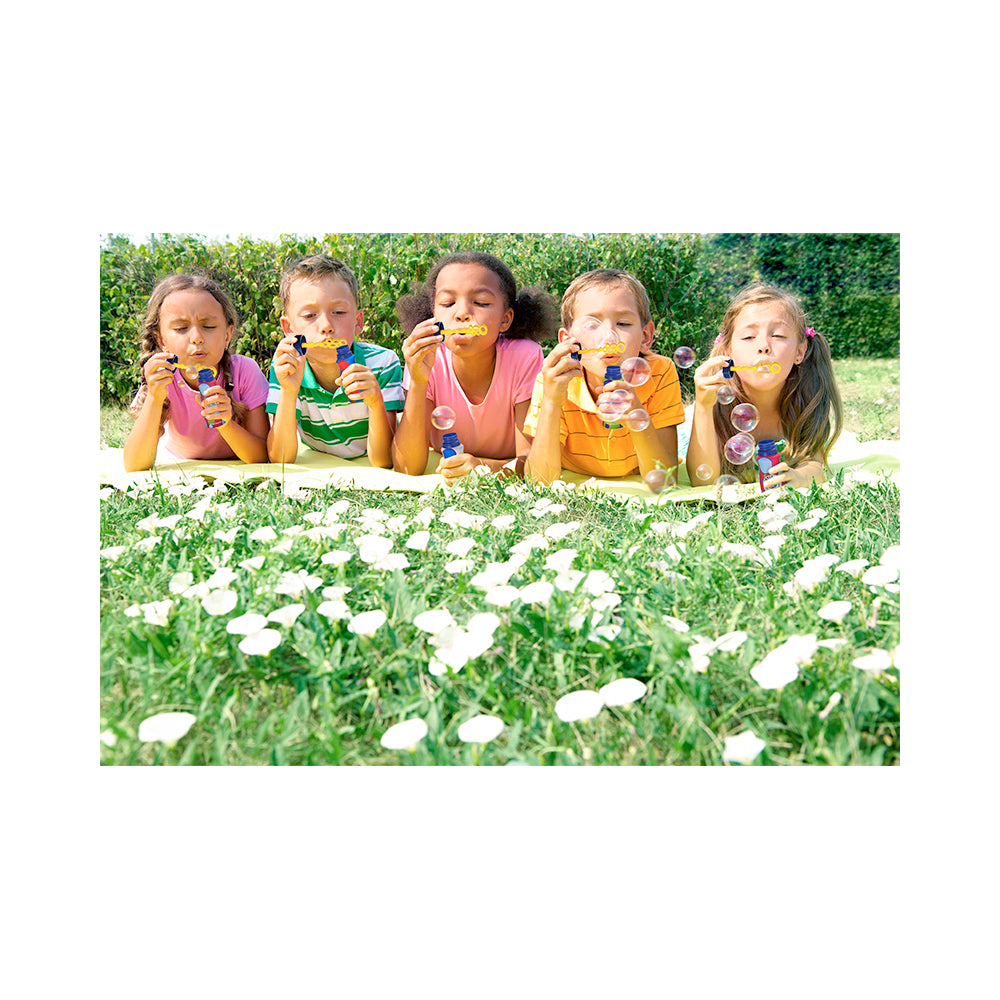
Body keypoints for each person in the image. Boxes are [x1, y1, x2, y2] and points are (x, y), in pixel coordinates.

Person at [392, 251, 557, 483]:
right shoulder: (427, 357)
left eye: (480, 302)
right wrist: (418, 382)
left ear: (505, 319)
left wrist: (482, 468)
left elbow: (531, 463)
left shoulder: (524, 357)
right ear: (433, 314)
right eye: (448, 303)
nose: (462, 314)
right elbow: (407, 467)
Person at [524, 268, 684, 484]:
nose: (609, 338)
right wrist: (551, 402)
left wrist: (636, 416)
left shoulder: (660, 372)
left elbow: (665, 479)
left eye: (623, 324)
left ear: (646, 336)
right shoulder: (554, 380)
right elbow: (539, 481)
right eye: (592, 325)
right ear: (567, 341)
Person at [685, 282, 843, 487]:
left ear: (799, 351)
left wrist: (799, 477)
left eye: (778, 335)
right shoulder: (714, 404)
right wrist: (703, 407)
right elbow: (702, 481)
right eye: (749, 337)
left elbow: (816, 464)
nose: (763, 347)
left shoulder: (806, 399)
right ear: (728, 352)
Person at [123, 274, 270, 471]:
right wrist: (154, 397)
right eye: (181, 328)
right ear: (161, 340)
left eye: (208, 326)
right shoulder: (163, 377)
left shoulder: (244, 371)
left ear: (227, 336)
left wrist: (225, 424)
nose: (196, 338)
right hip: (180, 462)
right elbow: (134, 465)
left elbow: (262, 456)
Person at [267, 255, 403, 466]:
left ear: (358, 321)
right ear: (289, 329)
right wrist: (289, 391)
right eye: (309, 315)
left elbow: (384, 460)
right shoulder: (287, 368)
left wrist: (375, 403)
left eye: (338, 312)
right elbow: (281, 458)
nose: (326, 326)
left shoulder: (382, 364)